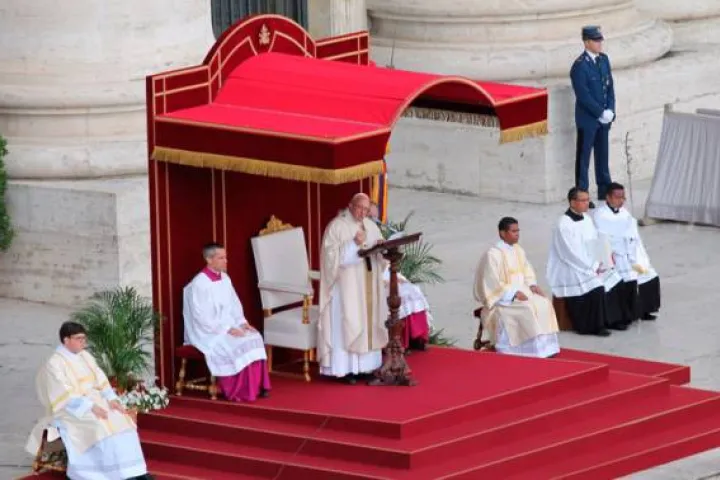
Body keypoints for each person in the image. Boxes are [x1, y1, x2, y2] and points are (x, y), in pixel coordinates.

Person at [26, 321, 152, 480]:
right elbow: (64, 394)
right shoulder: (54, 363)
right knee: (100, 426)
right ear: (66, 340)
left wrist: (111, 399)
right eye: (78, 339)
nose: (83, 342)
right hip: (70, 409)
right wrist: (90, 407)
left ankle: (133, 472)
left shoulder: (85, 356)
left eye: (84, 338)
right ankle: (103, 474)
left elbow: (100, 379)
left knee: (122, 419)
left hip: (95, 401)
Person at [183, 243, 270, 401]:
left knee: (254, 336)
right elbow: (201, 317)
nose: (226, 261)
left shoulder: (225, 278)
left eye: (225, 257)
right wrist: (227, 329)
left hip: (229, 325)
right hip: (209, 332)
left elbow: (234, 304)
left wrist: (242, 323)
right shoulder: (199, 284)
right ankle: (240, 390)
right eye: (221, 258)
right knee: (237, 342)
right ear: (209, 259)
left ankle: (258, 386)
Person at [318, 193, 389, 384]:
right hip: (346, 288)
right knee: (350, 321)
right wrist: (353, 244)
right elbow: (331, 260)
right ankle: (345, 369)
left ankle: (366, 367)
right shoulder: (337, 226)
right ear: (350, 206)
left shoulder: (371, 226)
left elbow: (380, 257)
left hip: (367, 284)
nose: (363, 213)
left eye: (366, 209)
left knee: (367, 323)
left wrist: (381, 247)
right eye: (359, 208)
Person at [474, 217, 560, 358]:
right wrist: (513, 294)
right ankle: (526, 350)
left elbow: (527, 270)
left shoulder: (518, 250)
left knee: (544, 303)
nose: (517, 234)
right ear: (502, 233)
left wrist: (532, 285)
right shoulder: (492, 254)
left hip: (523, 291)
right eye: (513, 231)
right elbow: (491, 283)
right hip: (503, 298)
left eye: (518, 231)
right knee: (528, 308)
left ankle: (545, 348)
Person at [546, 187, 626, 336]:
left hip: (590, 263)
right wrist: (592, 267)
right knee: (596, 286)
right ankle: (593, 326)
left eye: (588, 200)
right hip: (571, 267)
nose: (587, 203)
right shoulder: (563, 224)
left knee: (615, 278)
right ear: (572, 202)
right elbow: (570, 253)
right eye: (583, 200)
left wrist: (603, 261)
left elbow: (595, 242)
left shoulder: (587, 219)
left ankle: (612, 320)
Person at [593, 182, 661, 321]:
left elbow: (633, 234)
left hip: (631, 254)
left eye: (623, 197)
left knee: (648, 275)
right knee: (625, 280)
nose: (621, 200)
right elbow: (604, 238)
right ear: (608, 197)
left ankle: (644, 310)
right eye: (618, 197)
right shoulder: (600, 215)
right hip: (615, 256)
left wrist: (638, 254)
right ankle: (624, 316)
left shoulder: (624, 212)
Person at [370, 201, 431, 351]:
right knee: (398, 294)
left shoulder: (376, 231)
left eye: (376, 217)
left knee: (412, 289)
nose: (375, 221)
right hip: (370, 274)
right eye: (371, 217)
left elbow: (383, 259)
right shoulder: (359, 232)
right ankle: (396, 340)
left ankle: (414, 338)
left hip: (384, 269)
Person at [570, 25, 616, 207]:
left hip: (604, 118)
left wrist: (610, 109)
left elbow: (609, 87)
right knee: (583, 158)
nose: (599, 43)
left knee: (602, 155)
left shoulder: (604, 60)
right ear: (586, 42)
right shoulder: (580, 66)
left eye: (600, 40)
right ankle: (582, 193)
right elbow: (583, 95)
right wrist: (599, 112)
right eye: (596, 41)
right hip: (587, 120)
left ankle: (604, 189)